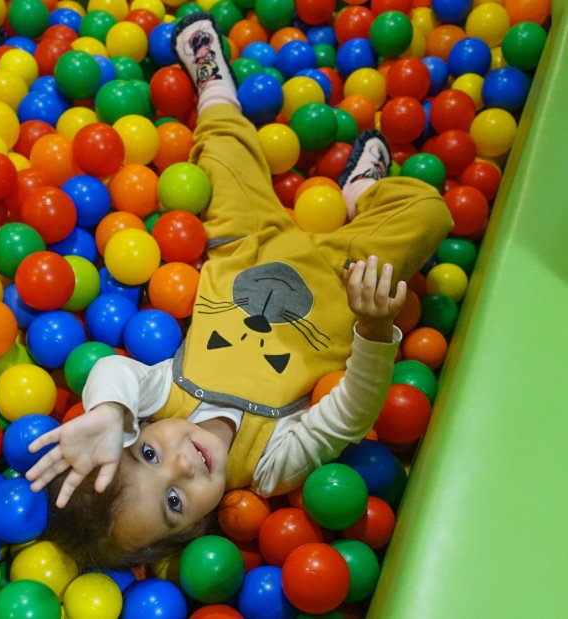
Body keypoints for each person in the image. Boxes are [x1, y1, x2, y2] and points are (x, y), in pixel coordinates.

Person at [25, 13, 454, 569]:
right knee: (429, 211)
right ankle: (366, 193)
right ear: (198, 526)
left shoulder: (161, 399)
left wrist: (107, 414)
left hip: (245, 244)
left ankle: (214, 85)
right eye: (173, 501)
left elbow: (114, 370)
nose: (180, 464)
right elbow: (347, 415)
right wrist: (373, 327)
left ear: (138, 429)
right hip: (344, 280)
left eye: (148, 454)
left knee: (225, 159)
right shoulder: (268, 466)